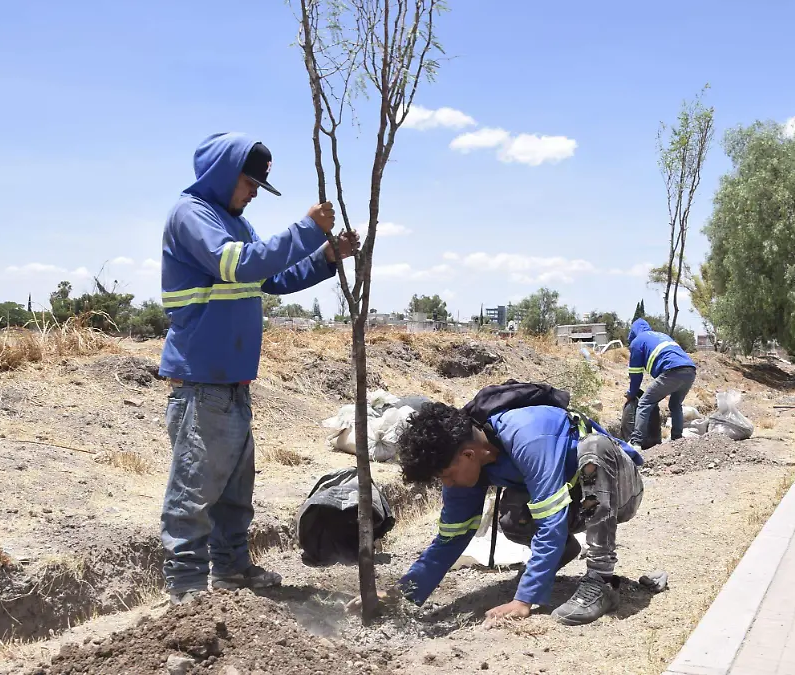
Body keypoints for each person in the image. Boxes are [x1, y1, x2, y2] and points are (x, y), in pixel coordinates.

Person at [158, 132, 359, 605]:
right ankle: (186, 590)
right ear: (225, 175)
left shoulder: (235, 223)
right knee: (193, 492)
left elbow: (273, 278)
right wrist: (306, 230)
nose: (252, 194)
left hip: (232, 383)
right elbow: (237, 265)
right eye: (249, 184)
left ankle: (232, 569)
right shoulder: (192, 215)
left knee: (234, 491)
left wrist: (326, 257)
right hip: (201, 383)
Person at [390, 398, 646, 625]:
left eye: (446, 476)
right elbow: (450, 538)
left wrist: (524, 600)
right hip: (575, 499)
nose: (447, 484)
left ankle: (600, 581)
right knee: (513, 516)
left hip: (620, 489)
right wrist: (402, 595)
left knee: (594, 448)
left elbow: (551, 522)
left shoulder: (528, 435)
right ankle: (560, 552)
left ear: (468, 455)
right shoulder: (467, 461)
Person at [625, 319, 697, 447]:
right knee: (675, 404)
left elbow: (636, 375)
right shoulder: (661, 335)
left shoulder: (637, 342)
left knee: (645, 402)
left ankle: (636, 442)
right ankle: (677, 439)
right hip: (690, 370)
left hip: (672, 370)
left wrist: (631, 393)